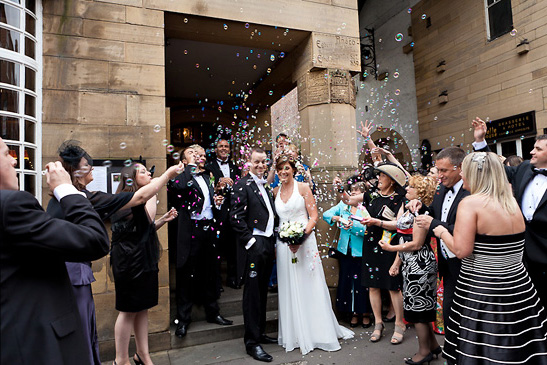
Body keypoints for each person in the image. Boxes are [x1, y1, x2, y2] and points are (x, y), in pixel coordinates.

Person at [47, 141, 182, 365]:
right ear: (76, 175)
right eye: (87, 166)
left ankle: (137, 356)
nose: (91, 169)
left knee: (88, 325)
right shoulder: (79, 199)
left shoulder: (77, 197)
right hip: (75, 274)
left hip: (77, 271)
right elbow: (139, 199)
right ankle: (120, 360)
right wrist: (168, 173)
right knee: (81, 328)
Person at [0, 137, 110, 364]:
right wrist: (66, 189)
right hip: (37, 348)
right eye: (5, 154)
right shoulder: (11, 205)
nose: (14, 161)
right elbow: (95, 240)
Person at [431, 152, 547, 364]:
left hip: (483, 289)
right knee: (518, 344)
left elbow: (461, 250)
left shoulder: (471, 203)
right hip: (519, 288)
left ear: (475, 174)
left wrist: (440, 230)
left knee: (483, 347)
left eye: (464, 170)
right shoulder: (511, 202)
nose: (462, 174)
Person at [275, 154, 354, 355]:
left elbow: (314, 216)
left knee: (309, 283)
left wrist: (300, 237)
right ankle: (294, 332)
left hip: (305, 241)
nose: (284, 172)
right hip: (283, 244)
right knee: (289, 285)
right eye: (280, 169)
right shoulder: (275, 191)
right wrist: (288, 239)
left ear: (293, 169)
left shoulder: (303, 188)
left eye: (287, 168)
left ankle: (318, 331)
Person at [472, 118, 547, 307]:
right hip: (520, 255)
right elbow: (496, 169)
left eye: (538, 149)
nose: (531, 151)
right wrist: (481, 142)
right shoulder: (524, 168)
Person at [110, 162, 178, 365]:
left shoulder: (142, 196)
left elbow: (143, 230)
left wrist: (162, 221)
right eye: (142, 171)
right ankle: (120, 360)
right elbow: (143, 221)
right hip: (129, 262)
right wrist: (155, 190)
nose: (148, 173)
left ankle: (142, 354)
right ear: (130, 177)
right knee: (128, 309)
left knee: (143, 307)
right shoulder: (128, 199)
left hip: (143, 258)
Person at [335, 163, 407, 345]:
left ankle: (400, 324)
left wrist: (377, 222)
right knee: (373, 285)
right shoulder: (371, 195)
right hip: (371, 244)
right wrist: (340, 189)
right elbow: (349, 200)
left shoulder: (400, 198)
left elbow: (399, 224)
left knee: (392, 285)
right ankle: (378, 323)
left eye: (382, 176)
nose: (378, 179)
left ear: (391, 180)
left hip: (390, 245)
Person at [169, 145, 233, 339]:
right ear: (183, 160)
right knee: (186, 275)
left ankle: (213, 312)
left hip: (209, 229)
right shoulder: (178, 176)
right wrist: (189, 166)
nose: (198, 156)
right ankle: (183, 319)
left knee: (211, 272)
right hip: (191, 231)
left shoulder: (209, 176)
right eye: (192, 153)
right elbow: (180, 188)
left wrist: (218, 202)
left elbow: (213, 202)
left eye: (201, 154)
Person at [378, 175, 441, 364]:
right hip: (410, 264)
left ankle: (423, 352)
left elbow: (416, 244)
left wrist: (391, 249)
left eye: (411, 187)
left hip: (420, 265)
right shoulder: (409, 209)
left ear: (420, 192)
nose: (406, 190)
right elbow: (403, 238)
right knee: (419, 307)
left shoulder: (422, 212)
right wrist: (396, 263)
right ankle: (433, 346)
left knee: (419, 311)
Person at [412, 147, 469, 330]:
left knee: (467, 319)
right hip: (447, 265)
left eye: (444, 171)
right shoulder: (440, 190)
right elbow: (433, 214)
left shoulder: (470, 194)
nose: (439, 176)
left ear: (459, 167)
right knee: (449, 315)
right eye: (438, 170)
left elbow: (462, 230)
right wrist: (420, 208)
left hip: (468, 265)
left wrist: (433, 222)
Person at [230, 147, 278, 362]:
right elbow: (236, 218)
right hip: (254, 245)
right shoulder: (242, 185)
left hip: (268, 243)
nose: (260, 165)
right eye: (256, 162)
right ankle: (252, 343)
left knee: (262, 291)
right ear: (248, 163)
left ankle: (259, 333)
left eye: (263, 162)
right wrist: (251, 242)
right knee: (251, 294)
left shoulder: (265, 186)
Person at [322, 180, 372, 328]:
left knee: (363, 284)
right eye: (352, 191)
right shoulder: (343, 206)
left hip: (362, 252)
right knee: (348, 283)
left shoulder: (366, 208)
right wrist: (337, 218)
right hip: (345, 251)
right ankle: (353, 313)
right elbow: (326, 214)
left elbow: (368, 230)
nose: (354, 194)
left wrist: (353, 227)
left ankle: (365, 313)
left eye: (357, 191)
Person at [206, 139, 241, 289]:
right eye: (220, 146)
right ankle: (217, 282)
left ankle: (233, 279)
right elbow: (206, 185)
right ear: (216, 149)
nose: (223, 148)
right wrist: (219, 181)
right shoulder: (209, 166)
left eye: (226, 146)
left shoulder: (235, 167)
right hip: (217, 212)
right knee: (217, 248)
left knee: (233, 246)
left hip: (233, 211)